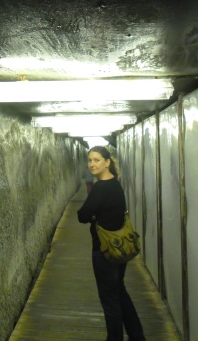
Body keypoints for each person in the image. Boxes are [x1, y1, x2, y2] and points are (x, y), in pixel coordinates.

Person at [77, 146, 146, 341]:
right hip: (119, 247)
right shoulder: (115, 184)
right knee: (119, 293)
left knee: (110, 300)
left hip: (104, 251)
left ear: (107, 162)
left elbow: (82, 215)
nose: (92, 164)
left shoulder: (100, 188)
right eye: (90, 160)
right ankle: (137, 336)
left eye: (97, 160)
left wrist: (93, 216)